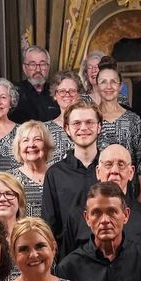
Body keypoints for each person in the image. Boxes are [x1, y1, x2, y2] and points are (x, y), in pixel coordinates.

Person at [60, 144, 141, 256]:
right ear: (98, 172)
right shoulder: (76, 217)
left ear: (131, 172)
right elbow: (67, 266)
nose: (114, 170)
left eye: (121, 164)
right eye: (108, 164)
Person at [42, 100, 102, 246]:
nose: (83, 128)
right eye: (76, 123)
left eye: (89, 122)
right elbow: (49, 224)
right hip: (68, 256)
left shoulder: (112, 170)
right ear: (67, 129)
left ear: (99, 127)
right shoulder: (55, 174)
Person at [96, 55, 141, 201]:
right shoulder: (91, 119)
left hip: (129, 189)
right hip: (97, 190)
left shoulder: (133, 119)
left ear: (120, 86)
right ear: (97, 85)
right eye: (103, 82)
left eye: (114, 82)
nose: (108, 86)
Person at [10, 119, 54, 216]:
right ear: (19, 147)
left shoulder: (57, 174)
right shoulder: (11, 180)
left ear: (46, 145)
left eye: (37, 139)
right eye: (25, 140)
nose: (31, 145)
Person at [13, 46, 59, 124]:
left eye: (42, 64)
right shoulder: (14, 92)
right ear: (24, 68)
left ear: (48, 67)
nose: (38, 69)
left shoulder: (58, 92)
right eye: (32, 64)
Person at [46, 69, 83, 162]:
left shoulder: (89, 126)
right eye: (62, 91)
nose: (67, 95)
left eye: (72, 91)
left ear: (79, 95)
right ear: (55, 95)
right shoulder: (44, 129)